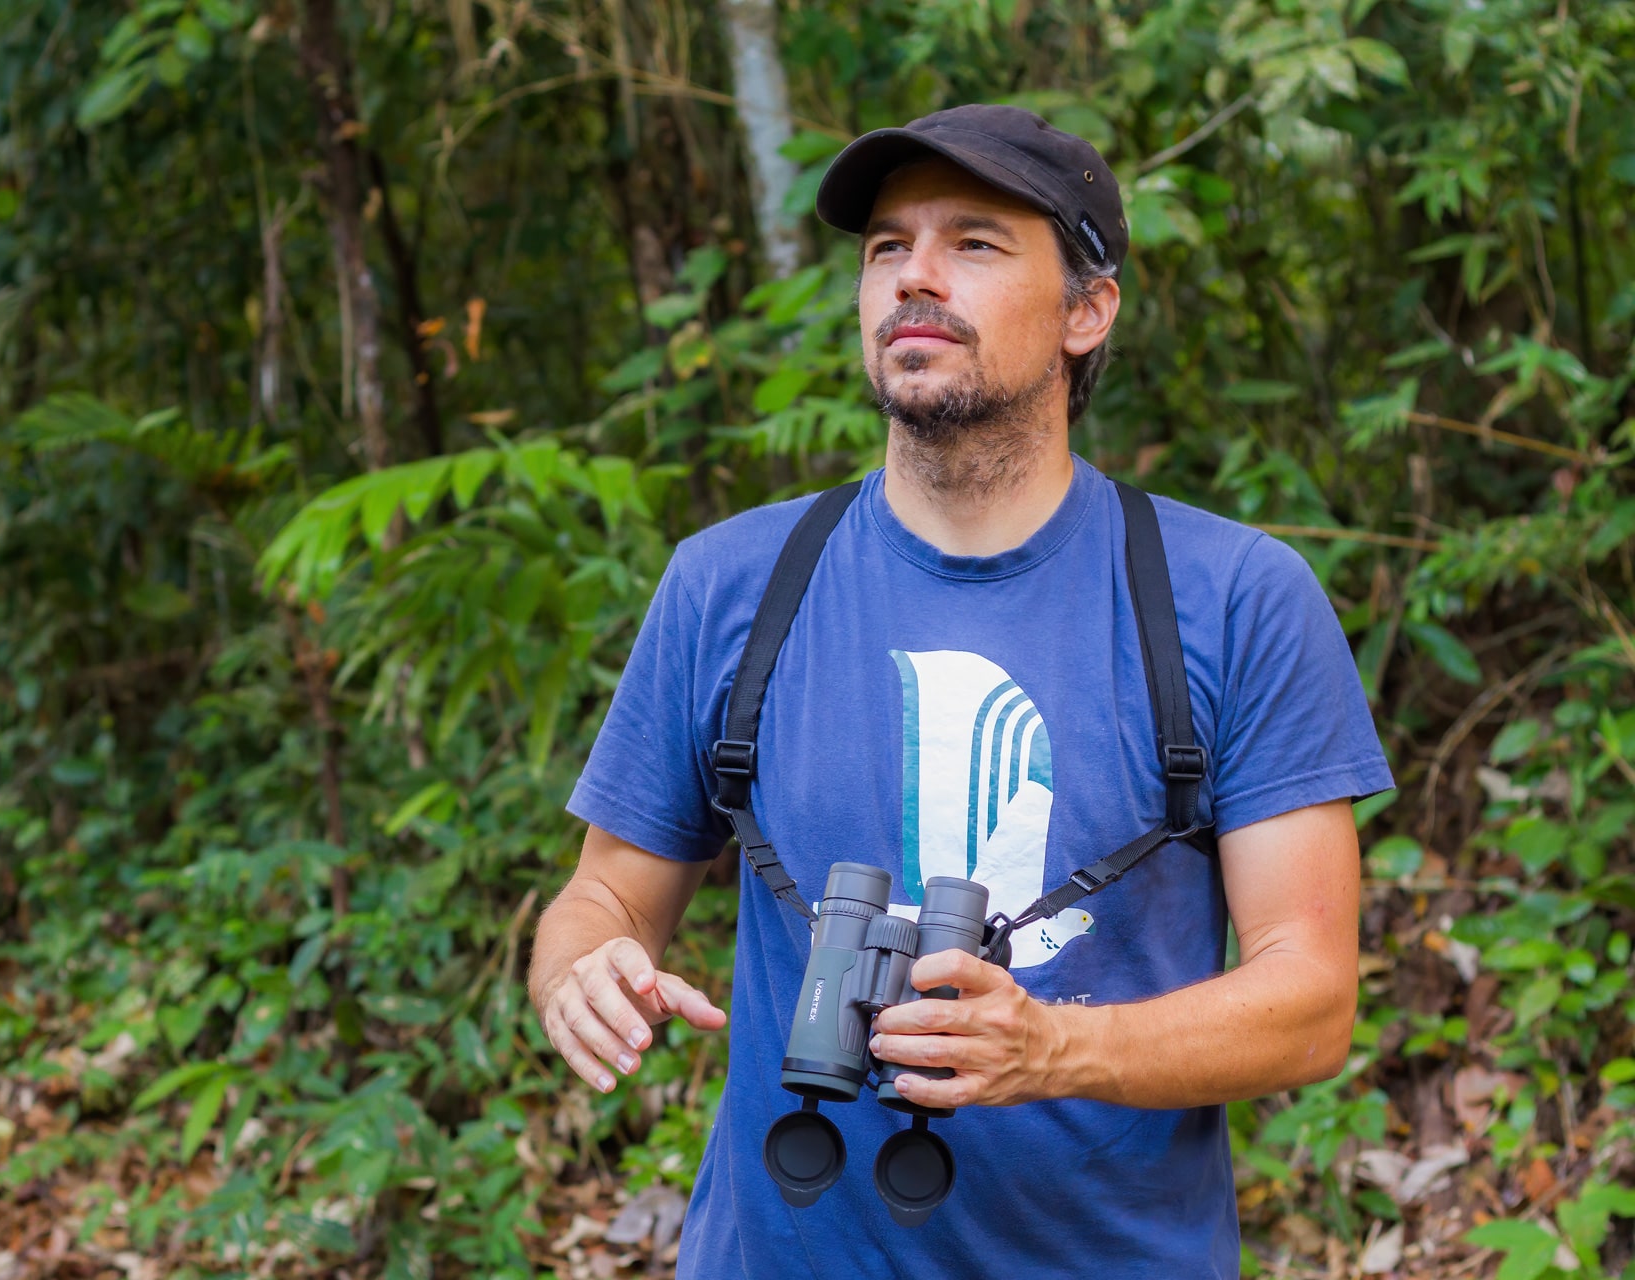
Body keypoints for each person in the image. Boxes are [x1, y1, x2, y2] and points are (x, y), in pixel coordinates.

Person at [526, 104, 1394, 1277]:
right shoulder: (729, 584)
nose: (914, 277)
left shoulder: (1232, 596)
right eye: (888, 247)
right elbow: (605, 899)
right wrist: (581, 968)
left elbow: (1311, 996)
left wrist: (1051, 1048)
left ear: (1087, 309)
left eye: (973, 243)